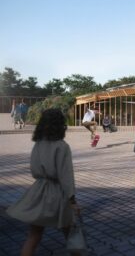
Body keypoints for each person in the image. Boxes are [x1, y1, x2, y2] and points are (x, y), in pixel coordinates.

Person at [6, 109, 81, 256]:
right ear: (61, 125)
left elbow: (34, 170)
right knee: (71, 235)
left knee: (34, 236)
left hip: (39, 191)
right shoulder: (62, 146)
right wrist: (72, 200)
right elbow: (66, 176)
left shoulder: (38, 144)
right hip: (58, 194)